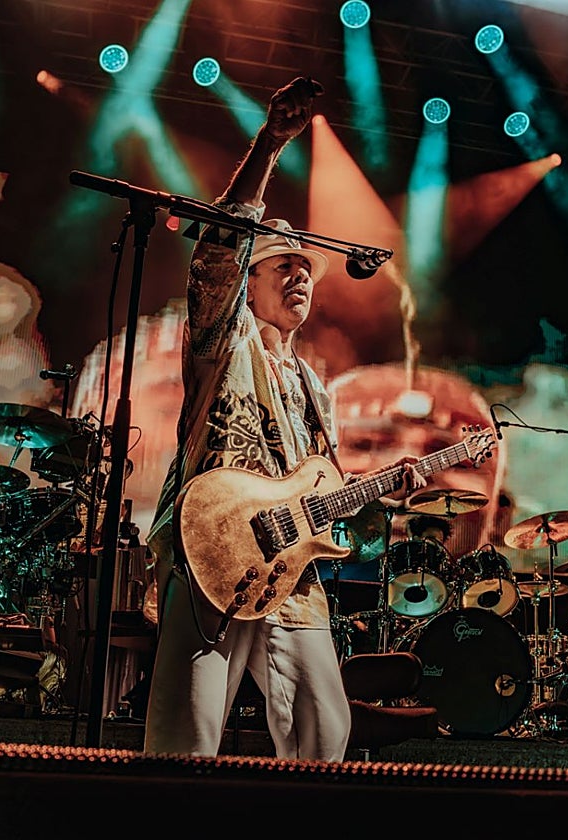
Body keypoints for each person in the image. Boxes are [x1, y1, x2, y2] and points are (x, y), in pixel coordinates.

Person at [142, 77, 426, 760]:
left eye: (305, 268)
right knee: (186, 743)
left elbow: (315, 495)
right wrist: (270, 143)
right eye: (281, 266)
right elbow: (216, 249)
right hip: (214, 550)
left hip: (292, 576)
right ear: (249, 280)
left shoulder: (314, 388)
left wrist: (378, 489)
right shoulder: (223, 341)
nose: (299, 276)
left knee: (326, 738)